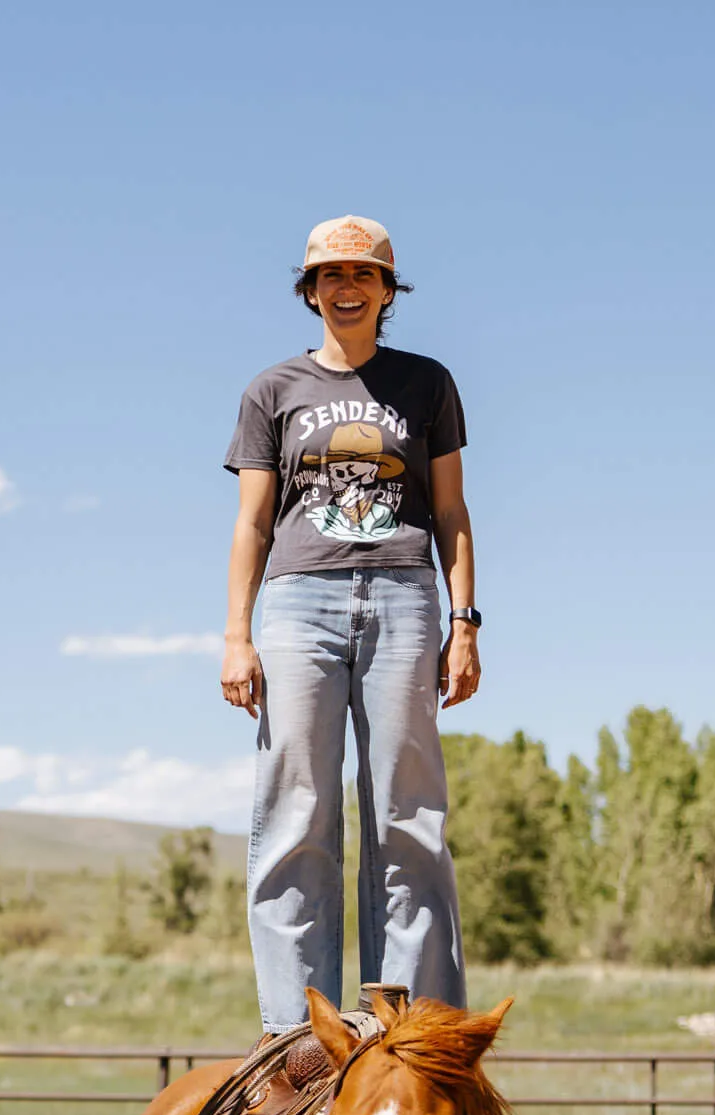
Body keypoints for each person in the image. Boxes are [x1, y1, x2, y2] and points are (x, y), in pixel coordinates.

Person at [222, 214, 480, 1032]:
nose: (346, 288)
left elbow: (450, 509)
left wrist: (465, 621)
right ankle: (296, 1036)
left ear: (386, 290)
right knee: (296, 809)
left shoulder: (428, 383)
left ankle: (408, 1026)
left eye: (362, 275)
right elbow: (253, 525)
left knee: (407, 814)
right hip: (299, 605)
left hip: (406, 596)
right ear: (310, 290)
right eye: (330, 275)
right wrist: (236, 634)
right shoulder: (273, 391)